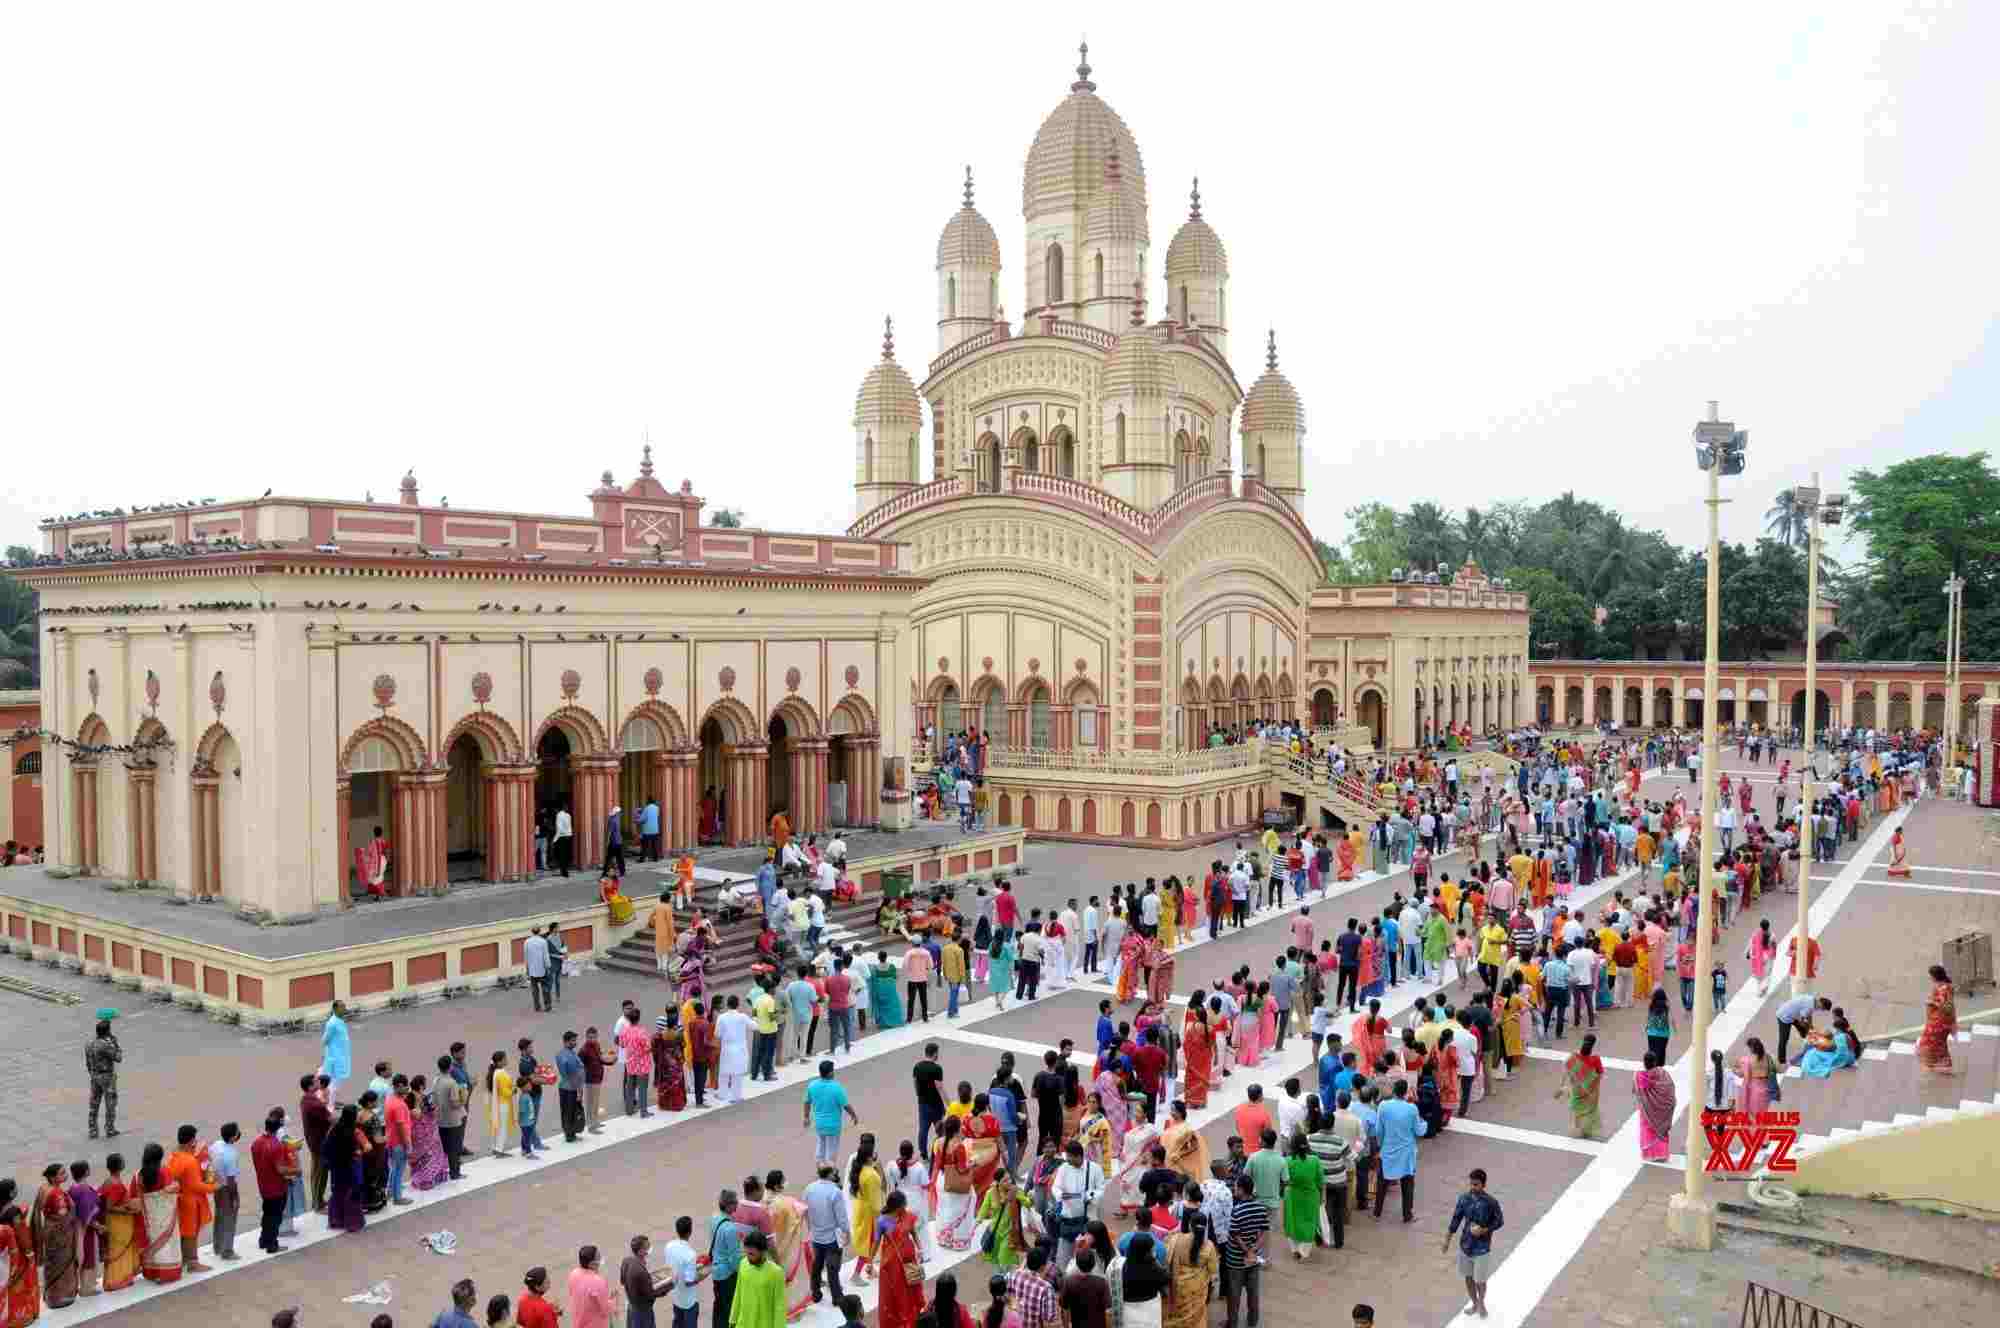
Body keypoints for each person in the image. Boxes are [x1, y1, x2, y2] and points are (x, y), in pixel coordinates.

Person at [1443, 1168, 1503, 1320]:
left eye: (1476, 1185)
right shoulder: (1464, 1199)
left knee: (1480, 1280)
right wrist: (1447, 1239)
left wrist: (1484, 1230)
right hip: (1466, 1246)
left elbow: (1499, 1221)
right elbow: (1456, 1219)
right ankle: (1475, 1303)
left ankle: (1481, 1302)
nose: (1473, 1188)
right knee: (1468, 1277)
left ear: (1483, 1185)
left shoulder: (1491, 1202)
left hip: (1482, 1248)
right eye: (1471, 1184)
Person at [871, 1191, 925, 1328]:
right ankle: (898, 1321)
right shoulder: (881, 1221)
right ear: (897, 1206)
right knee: (894, 1293)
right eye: (903, 1204)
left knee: (911, 1285)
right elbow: (876, 1242)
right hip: (891, 1265)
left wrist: (920, 1249)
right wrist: (869, 1262)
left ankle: (912, 1316)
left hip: (909, 1260)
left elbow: (914, 1233)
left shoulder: (907, 1216)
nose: (906, 1206)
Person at [1220, 1174, 1267, 1328]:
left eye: (1236, 1187)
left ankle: (1232, 1323)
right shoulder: (1260, 1207)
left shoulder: (1237, 1210)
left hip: (1236, 1260)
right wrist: (1254, 1249)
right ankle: (1252, 1321)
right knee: (1253, 1293)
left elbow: (1235, 1234)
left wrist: (1247, 1250)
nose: (1234, 1189)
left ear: (1241, 1190)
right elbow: (1263, 1231)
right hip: (1253, 1259)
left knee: (1234, 1295)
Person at [1162, 1209, 1217, 1328]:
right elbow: (1213, 1271)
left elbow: (1166, 1258)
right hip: (1198, 1288)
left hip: (1179, 1286)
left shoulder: (1176, 1240)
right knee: (1196, 1319)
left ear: (1189, 1225)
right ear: (1205, 1227)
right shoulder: (1209, 1246)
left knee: (1176, 1317)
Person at [1279, 1134, 1323, 1261]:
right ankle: (1303, 1251)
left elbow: (1284, 1181)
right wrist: (1323, 1197)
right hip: (1311, 1196)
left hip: (1292, 1196)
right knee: (1309, 1222)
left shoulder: (1287, 1161)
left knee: (1292, 1222)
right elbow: (1321, 1181)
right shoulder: (1314, 1160)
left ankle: (1295, 1249)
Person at [732, 1231, 787, 1328]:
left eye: (752, 1254)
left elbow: (779, 1306)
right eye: (747, 1253)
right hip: (743, 1323)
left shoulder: (776, 1272)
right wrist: (733, 1319)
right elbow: (738, 1293)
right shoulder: (743, 1264)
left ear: (763, 1252)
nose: (748, 1257)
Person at [1634, 1051, 1677, 1161]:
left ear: (1644, 1063)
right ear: (1655, 1062)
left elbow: (1635, 1090)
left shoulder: (1639, 1076)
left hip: (1647, 1110)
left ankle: (1650, 1154)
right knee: (1660, 1131)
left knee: (1648, 1129)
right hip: (1664, 1111)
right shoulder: (1664, 1073)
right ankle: (1662, 1154)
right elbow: (1670, 1089)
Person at [85, 1016, 122, 1140]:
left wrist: (92, 1073)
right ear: (107, 1031)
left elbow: (87, 1062)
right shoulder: (105, 1045)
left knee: (94, 1103)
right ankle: (110, 1129)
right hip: (106, 1076)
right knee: (110, 1102)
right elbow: (118, 1057)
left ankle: (92, 1130)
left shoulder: (89, 1043)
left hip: (94, 1075)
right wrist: (115, 1043)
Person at [1917, 963, 1958, 1074]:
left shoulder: (1944, 988)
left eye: (1930, 975)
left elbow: (1948, 1007)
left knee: (1928, 1042)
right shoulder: (1944, 986)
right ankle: (1942, 1064)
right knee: (1938, 1043)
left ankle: (1933, 1064)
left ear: (1935, 976)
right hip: (1938, 1020)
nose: (1929, 977)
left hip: (1940, 1021)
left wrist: (1933, 1002)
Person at [321, 999, 352, 1102]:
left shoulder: (340, 1021)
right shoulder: (332, 1023)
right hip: (336, 1057)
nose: (344, 1009)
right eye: (342, 1007)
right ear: (335, 1009)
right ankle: (330, 1103)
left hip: (341, 1055)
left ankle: (331, 1100)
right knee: (335, 1082)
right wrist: (333, 1052)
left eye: (344, 1006)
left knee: (337, 1081)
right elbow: (325, 1040)